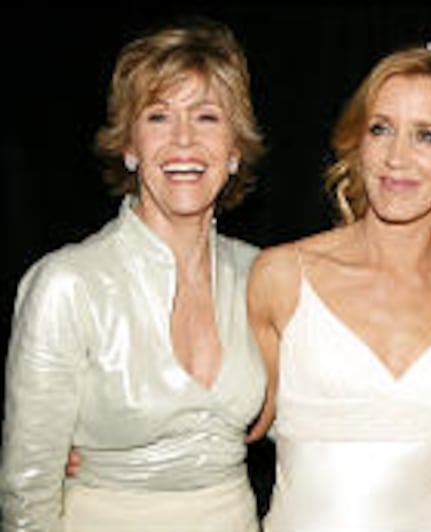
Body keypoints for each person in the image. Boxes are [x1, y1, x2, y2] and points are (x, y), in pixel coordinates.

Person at [0, 17, 270, 531]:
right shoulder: (66, 284)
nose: (184, 140)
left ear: (235, 150)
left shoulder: (263, 273)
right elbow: (27, 490)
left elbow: (322, 410)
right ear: (129, 146)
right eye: (159, 117)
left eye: (208, 117)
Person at [247, 46, 431, 531]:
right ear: (358, 145)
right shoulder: (281, 275)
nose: (396, 157)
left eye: (426, 136)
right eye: (380, 129)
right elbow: (225, 422)